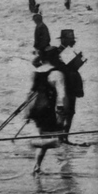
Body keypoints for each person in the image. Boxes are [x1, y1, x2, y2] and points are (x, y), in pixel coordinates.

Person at [27, 46, 68, 174]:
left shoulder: (36, 72)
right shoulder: (57, 73)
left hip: (36, 109)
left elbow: (30, 94)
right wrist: (62, 112)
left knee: (44, 136)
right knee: (59, 138)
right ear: (56, 58)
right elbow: (62, 95)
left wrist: (27, 113)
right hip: (49, 110)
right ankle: (64, 168)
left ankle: (37, 166)